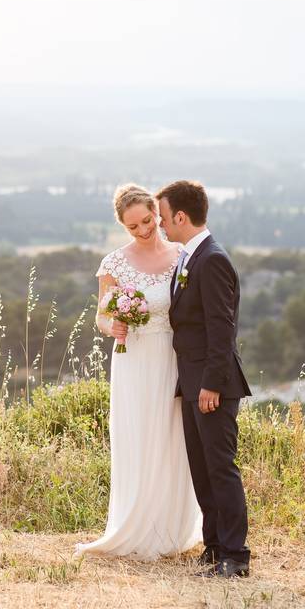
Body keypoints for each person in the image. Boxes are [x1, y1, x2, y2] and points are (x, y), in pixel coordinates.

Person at [74, 183, 202, 560]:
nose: (144, 230)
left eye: (148, 220)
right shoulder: (114, 263)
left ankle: (172, 529)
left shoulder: (181, 254)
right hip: (133, 359)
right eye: (133, 227)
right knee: (139, 436)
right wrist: (111, 326)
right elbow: (102, 314)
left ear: (156, 213)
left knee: (172, 437)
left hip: (172, 358)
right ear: (123, 227)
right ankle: (135, 525)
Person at [157, 180, 252, 578]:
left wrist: (211, 384)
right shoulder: (188, 257)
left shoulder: (211, 259)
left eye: (163, 218)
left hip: (213, 385)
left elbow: (221, 328)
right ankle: (214, 549)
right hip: (193, 382)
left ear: (181, 216)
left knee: (220, 469)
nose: (161, 226)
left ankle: (235, 555)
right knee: (201, 468)